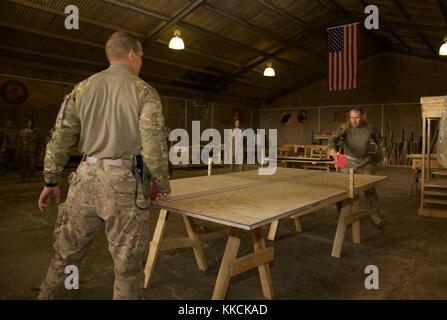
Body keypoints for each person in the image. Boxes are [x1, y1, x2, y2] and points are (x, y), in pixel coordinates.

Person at [37, 31, 171, 300]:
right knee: (127, 269)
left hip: (84, 180)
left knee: (66, 258)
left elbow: (61, 138)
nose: (141, 62)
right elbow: (153, 147)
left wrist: (50, 181)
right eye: (141, 56)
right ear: (132, 54)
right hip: (124, 184)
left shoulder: (82, 88)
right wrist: (161, 184)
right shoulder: (144, 91)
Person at [328, 107, 389, 227]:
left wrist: (385, 154)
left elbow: (380, 141)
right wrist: (332, 149)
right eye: (351, 117)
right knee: (341, 190)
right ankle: (344, 217)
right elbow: (332, 139)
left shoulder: (369, 128)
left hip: (364, 162)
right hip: (347, 161)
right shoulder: (346, 127)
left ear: (363, 116)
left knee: (370, 190)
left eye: (356, 118)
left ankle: (377, 217)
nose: (354, 121)